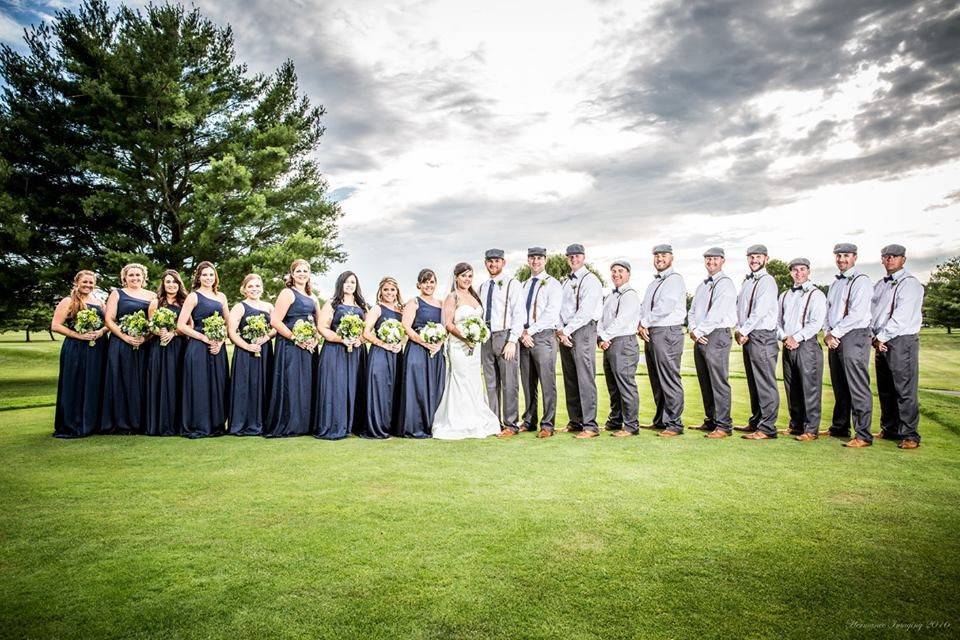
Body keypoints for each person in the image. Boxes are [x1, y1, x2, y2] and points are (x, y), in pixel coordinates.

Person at [432, 262, 501, 440]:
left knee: (473, 381)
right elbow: (448, 324)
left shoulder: (474, 297)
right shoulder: (452, 297)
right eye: (464, 276)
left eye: (470, 276)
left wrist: (477, 336)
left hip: (475, 346)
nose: (467, 279)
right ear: (456, 277)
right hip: (458, 345)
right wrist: (465, 338)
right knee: (460, 380)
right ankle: (458, 421)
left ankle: (475, 418)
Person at [871, 244, 924, 450]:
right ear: (882, 259)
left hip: (902, 340)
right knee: (886, 388)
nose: (890, 260)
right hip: (881, 340)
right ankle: (890, 428)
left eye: (894, 257)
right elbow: (873, 312)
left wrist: (881, 337)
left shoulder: (910, 284)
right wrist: (875, 337)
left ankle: (910, 434)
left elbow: (901, 317)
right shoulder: (880, 285)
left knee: (904, 389)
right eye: (886, 257)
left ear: (903, 259)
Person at [824, 243, 874, 448]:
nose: (841, 259)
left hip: (854, 335)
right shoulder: (835, 283)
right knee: (840, 384)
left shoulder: (861, 281)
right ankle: (840, 426)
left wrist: (834, 333)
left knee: (857, 385)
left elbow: (857, 314)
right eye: (838, 256)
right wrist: (828, 333)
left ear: (854, 257)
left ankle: (863, 434)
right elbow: (828, 312)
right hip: (835, 337)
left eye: (846, 255)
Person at [51, 270, 109, 438]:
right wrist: (79, 335)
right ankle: (73, 424)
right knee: (75, 382)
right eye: (85, 282)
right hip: (76, 347)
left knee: (95, 382)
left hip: (98, 347)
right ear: (77, 282)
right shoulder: (68, 301)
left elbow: (109, 323)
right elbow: (56, 325)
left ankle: (93, 424)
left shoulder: (99, 302)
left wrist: (101, 332)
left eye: (91, 282)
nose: (88, 285)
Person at [265, 259, 319, 437]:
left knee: (307, 384)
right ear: (292, 274)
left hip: (309, 348)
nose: (302, 274)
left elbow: (318, 324)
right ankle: (290, 423)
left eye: (305, 271)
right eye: (298, 271)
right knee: (291, 384)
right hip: (290, 346)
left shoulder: (313, 298)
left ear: (309, 274)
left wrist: (314, 340)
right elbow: (275, 321)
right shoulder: (287, 293)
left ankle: (306, 424)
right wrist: (295, 338)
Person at [637, 244, 687, 437]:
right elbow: (644, 307)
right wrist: (641, 324)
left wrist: (644, 322)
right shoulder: (653, 283)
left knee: (669, 377)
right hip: (653, 331)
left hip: (667, 331)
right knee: (656, 378)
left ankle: (674, 423)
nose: (659, 258)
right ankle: (661, 420)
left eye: (663, 255)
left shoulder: (674, 279)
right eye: (656, 255)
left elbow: (665, 306)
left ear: (671, 258)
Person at [177, 261, 230, 438]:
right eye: (205, 274)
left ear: (216, 277)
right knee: (199, 384)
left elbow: (227, 323)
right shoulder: (193, 296)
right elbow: (181, 325)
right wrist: (203, 338)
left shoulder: (221, 296)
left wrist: (220, 342)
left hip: (217, 346)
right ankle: (198, 424)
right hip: (198, 345)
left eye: (211, 274)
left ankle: (216, 424)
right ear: (198, 277)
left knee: (217, 384)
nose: (208, 278)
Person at [101, 263, 156, 434]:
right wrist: (125, 337)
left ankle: (140, 422)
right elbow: (109, 320)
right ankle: (121, 422)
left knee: (141, 381)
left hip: (143, 345)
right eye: (131, 275)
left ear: (144, 277)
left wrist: (144, 337)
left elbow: (154, 322)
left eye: (138, 275)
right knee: (120, 380)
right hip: (120, 343)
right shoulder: (117, 294)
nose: (135, 278)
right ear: (124, 277)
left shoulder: (152, 296)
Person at [688, 248, 737, 439]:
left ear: (722, 261)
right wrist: (694, 330)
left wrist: (699, 331)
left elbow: (717, 312)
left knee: (718, 381)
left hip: (716, 334)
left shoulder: (726, 284)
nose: (710, 262)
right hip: (700, 334)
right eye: (708, 259)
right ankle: (711, 420)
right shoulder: (702, 285)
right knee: (705, 380)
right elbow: (692, 311)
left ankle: (724, 425)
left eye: (714, 259)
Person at [476, 249, 525, 437]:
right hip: (485, 337)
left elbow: (519, 314)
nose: (493, 264)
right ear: (486, 263)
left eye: (496, 261)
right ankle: (493, 422)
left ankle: (511, 425)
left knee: (509, 381)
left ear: (503, 263)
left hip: (504, 336)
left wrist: (513, 340)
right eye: (489, 261)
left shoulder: (513, 284)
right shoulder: (482, 287)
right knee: (490, 383)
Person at [734, 245, 781, 440]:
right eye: (751, 257)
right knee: (754, 382)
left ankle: (768, 427)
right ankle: (756, 421)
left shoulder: (767, 281)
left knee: (765, 382)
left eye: (758, 257)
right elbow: (740, 309)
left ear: (766, 259)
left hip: (762, 335)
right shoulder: (747, 282)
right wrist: (740, 329)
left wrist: (743, 330)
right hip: (749, 335)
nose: (754, 260)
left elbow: (760, 310)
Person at [314, 271, 368, 439]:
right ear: (340, 284)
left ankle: (353, 424)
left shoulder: (362, 306)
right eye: (346, 282)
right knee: (336, 387)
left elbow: (367, 330)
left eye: (353, 282)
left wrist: (360, 339)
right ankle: (335, 424)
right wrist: (341, 339)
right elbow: (322, 327)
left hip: (357, 353)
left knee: (354, 386)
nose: (350, 285)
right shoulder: (332, 304)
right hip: (335, 351)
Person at [557, 244, 603, 438]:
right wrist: (560, 330)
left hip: (583, 330)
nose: (573, 259)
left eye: (577, 256)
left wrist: (566, 330)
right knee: (570, 377)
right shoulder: (565, 282)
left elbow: (585, 311)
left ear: (583, 257)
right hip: (565, 331)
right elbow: (558, 308)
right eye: (570, 256)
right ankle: (575, 421)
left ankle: (590, 425)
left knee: (585, 377)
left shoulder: (591, 279)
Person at [777, 258, 826, 442]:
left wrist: (795, 338)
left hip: (807, 345)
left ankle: (811, 429)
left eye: (802, 269)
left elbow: (816, 323)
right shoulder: (784, 296)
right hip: (787, 344)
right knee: (792, 387)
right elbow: (777, 321)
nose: (799, 273)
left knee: (810, 387)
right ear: (790, 272)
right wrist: (784, 337)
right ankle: (796, 425)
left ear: (808, 271)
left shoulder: (817, 295)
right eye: (795, 270)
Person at [518, 247, 563, 438]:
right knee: (528, 382)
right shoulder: (523, 285)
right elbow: (517, 311)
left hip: (543, 336)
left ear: (545, 260)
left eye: (539, 258)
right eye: (532, 258)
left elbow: (551, 313)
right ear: (528, 260)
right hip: (524, 336)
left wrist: (530, 331)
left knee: (547, 381)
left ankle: (548, 424)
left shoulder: (553, 284)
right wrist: (521, 332)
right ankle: (529, 421)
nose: (535, 261)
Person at [396, 269, 446, 438]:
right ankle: (414, 426)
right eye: (425, 282)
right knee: (417, 388)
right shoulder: (414, 302)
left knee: (435, 387)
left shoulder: (441, 303)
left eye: (432, 282)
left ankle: (432, 425)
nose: (428, 285)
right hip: (417, 350)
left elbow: (446, 327)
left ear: (436, 284)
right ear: (419, 284)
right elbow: (406, 327)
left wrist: (439, 343)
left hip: (436, 352)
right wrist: (424, 341)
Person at [227, 274, 275, 436]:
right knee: (245, 385)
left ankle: (262, 422)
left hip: (265, 350)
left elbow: (276, 326)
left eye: (257, 286)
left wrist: (267, 337)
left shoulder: (269, 306)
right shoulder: (239, 307)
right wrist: (248, 346)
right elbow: (232, 332)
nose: (254, 289)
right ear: (244, 289)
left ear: (261, 288)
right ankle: (243, 423)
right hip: (245, 352)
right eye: (250, 286)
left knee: (264, 384)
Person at [600, 260, 642, 437]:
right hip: (609, 342)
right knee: (613, 386)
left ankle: (631, 426)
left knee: (625, 384)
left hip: (624, 342)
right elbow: (601, 319)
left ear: (628, 274)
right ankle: (615, 421)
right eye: (614, 271)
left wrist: (605, 336)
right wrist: (601, 336)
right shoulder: (610, 296)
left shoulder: (630, 295)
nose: (616, 274)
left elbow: (622, 320)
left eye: (620, 271)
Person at [359, 277, 405, 439]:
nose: (389, 293)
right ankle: (377, 428)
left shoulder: (401, 311)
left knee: (394, 390)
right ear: (380, 291)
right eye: (386, 289)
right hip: (380, 354)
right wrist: (382, 343)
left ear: (397, 292)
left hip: (396, 355)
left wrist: (400, 343)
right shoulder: (377, 309)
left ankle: (390, 427)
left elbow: (404, 331)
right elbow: (365, 332)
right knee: (380, 391)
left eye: (392, 290)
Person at [145, 269, 187, 436]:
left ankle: (177, 424)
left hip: (179, 346)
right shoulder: (156, 302)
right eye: (168, 282)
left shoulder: (184, 302)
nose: (171, 285)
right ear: (163, 284)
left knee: (178, 381)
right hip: (160, 347)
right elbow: (151, 325)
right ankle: (160, 423)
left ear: (179, 284)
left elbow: (188, 325)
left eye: (174, 282)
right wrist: (159, 332)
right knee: (161, 381)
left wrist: (174, 333)